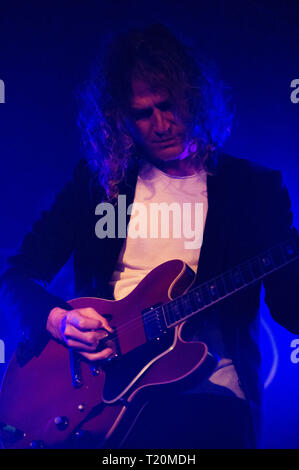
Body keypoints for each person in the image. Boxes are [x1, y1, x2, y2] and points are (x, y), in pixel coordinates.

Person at [0, 23, 298, 449]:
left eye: (169, 105)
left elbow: (291, 308)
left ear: (194, 97)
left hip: (210, 391)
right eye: (143, 113)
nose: (161, 124)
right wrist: (59, 321)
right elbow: (18, 275)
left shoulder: (252, 189)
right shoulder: (100, 184)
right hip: (101, 393)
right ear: (120, 117)